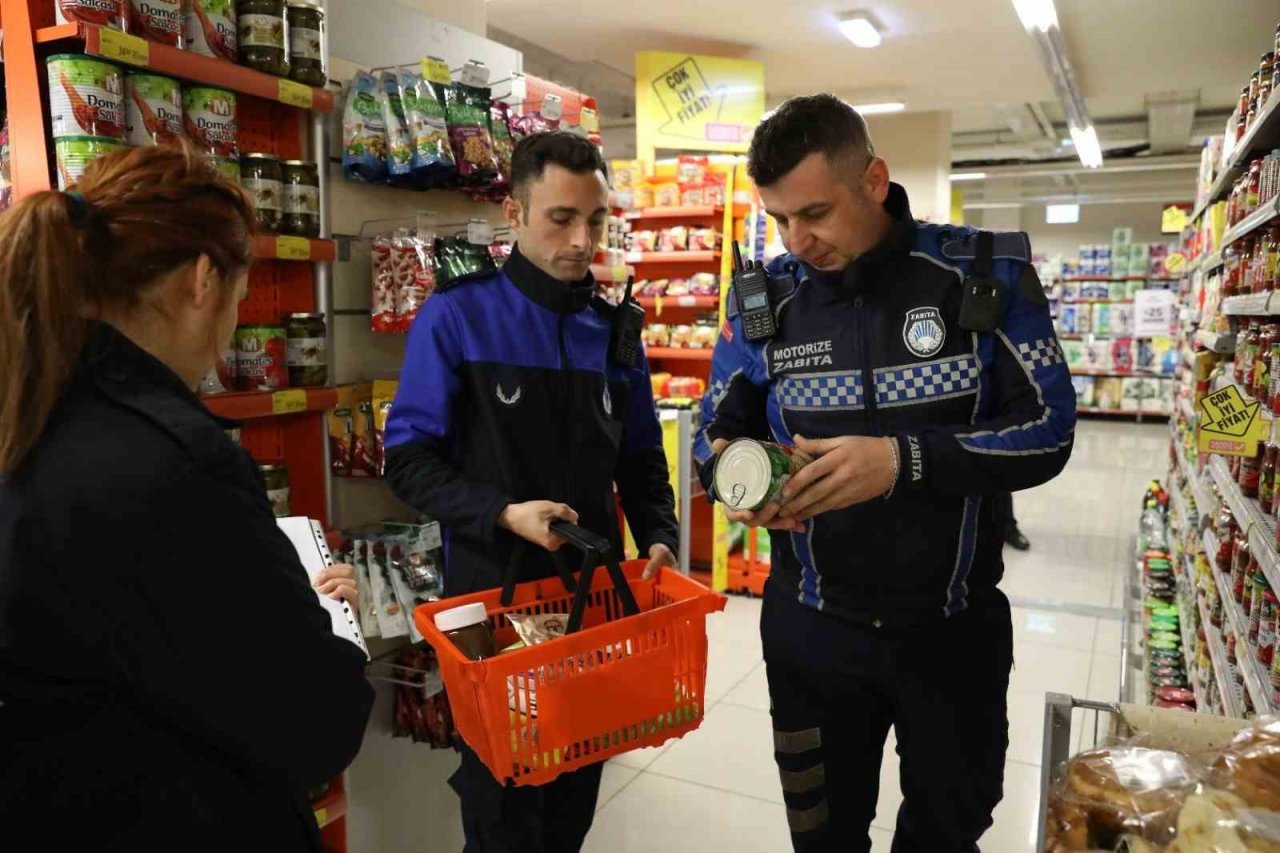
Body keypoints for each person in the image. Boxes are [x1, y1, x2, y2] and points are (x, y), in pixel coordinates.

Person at [695, 95, 1076, 852]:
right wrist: (743, 485)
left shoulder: (980, 274)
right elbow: (714, 432)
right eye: (779, 219)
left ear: (874, 180)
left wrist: (904, 461)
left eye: (815, 213)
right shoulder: (767, 300)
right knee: (823, 836)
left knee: (947, 830)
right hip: (810, 632)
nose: (796, 240)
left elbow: (1050, 429)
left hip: (952, 631)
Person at [0, 145, 374, 851]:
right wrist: (330, 623)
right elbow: (316, 726)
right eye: (240, 296)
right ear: (203, 281)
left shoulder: (28, 408)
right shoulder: (175, 463)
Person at [384, 130, 680, 852]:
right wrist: (503, 513)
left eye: (596, 220)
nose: (582, 241)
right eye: (561, 218)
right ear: (513, 213)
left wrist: (660, 533)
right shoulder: (456, 316)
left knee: (573, 804)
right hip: (491, 610)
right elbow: (408, 461)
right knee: (503, 815)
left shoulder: (615, 331)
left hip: (593, 608)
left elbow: (642, 457)